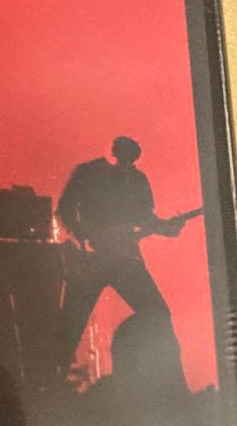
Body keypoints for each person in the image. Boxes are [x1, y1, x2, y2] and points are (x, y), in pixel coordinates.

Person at [56, 136, 186, 377]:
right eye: (122, 158)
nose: (126, 164)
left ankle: (169, 382)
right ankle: (52, 382)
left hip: (123, 259)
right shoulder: (88, 172)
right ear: (113, 153)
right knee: (69, 329)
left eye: (130, 160)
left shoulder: (137, 180)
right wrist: (82, 239)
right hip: (92, 261)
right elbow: (64, 209)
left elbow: (144, 218)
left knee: (158, 314)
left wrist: (167, 228)